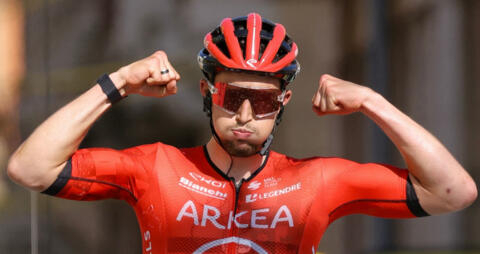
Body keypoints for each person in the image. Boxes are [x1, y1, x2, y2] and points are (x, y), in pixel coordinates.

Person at [7, 13, 477, 254]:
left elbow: (454, 192)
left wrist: (373, 102)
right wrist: (120, 83)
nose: (247, 114)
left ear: (284, 103)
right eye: (233, 98)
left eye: (266, 101)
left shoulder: (317, 181)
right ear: (209, 93)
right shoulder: (154, 167)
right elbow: (29, 167)